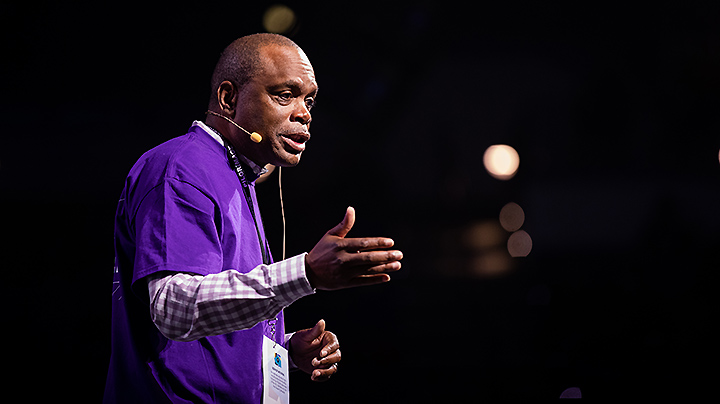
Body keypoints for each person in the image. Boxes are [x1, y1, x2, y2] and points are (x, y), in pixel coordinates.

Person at [103, 33, 403, 403]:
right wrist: (305, 273)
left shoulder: (235, 176)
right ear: (228, 98)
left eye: (308, 99)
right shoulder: (182, 168)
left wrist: (287, 350)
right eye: (284, 95)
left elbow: (213, 321)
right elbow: (174, 308)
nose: (305, 113)